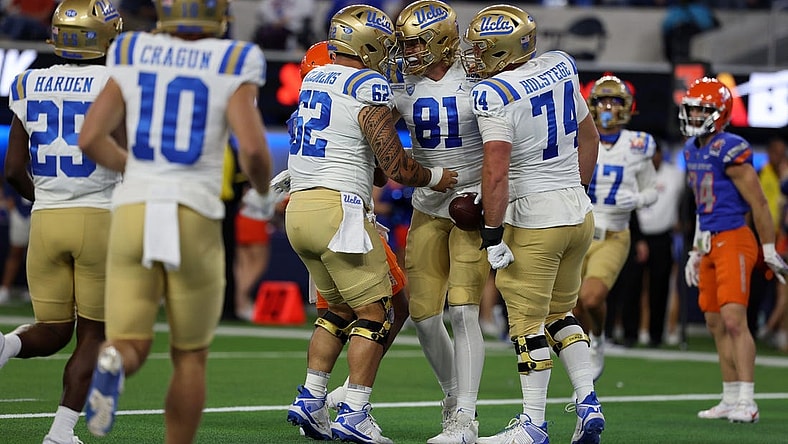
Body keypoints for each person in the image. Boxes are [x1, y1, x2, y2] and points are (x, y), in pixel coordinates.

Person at [77, 0, 275, 441]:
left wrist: (135, 169)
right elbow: (256, 151)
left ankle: (114, 360)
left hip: (133, 209)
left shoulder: (131, 49)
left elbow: (91, 137)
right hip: (194, 212)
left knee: (129, 342)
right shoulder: (234, 58)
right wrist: (261, 196)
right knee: (190, 355)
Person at [284, 4, 457, 443]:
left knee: (338, 312)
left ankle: (312, 396)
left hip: (299, 208)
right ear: (368, 43)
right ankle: (356, 409)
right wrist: (438, 176)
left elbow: (367, 158)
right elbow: (395, 166)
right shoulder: (368, 83)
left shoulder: (313, 78)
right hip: (337, 210)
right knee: (377, 315)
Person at [463, 5, 603, 444]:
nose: (475, 56)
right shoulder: (560, 66)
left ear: (504, 50)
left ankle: (533, 423)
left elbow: (496, 172)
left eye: (483, 49)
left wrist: (490, 233)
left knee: (526, 324)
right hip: (577, 212)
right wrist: (572, 191)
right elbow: (590, 136)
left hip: (534, 219)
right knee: (562, 314)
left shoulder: (494, 93)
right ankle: (588, 401)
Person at [0, 2, 122, 443]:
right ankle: (61, 432)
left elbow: (13, 169)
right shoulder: (117, 82)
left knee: (51, 331)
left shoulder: (26, 81)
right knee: (95, 334)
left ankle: (6, 345)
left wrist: (50, 198)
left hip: (46, 219)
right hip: (100, 217)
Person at [392, 1, 490, 442]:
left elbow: (509, 141)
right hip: (428, 207)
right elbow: (362, 131)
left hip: (474, 206)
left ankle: (466, 419)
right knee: (424, 315)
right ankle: (453, 399)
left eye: (415, 43)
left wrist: (491, 194)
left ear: (441, 41)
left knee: (465, 310)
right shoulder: (400, 84)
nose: (408, 51)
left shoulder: (479, 78)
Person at [682, 76, 788, 424]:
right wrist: (696, 250)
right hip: (710, 240)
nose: (695, 115)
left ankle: (747, 399)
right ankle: (729, 398)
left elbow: (758, 202)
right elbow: (701, 206)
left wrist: (769, 248)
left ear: (720, 113)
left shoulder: (731, 146)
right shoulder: (692, 148)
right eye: (693, 108)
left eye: (702, 109)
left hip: (734, 238)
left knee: (734, 320)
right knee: (714, 322)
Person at [573, 75, 658, 379]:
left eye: (615, 101)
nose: (608, 107)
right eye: (602, 101)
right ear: (591, 106)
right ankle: (582, 358)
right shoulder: (576, 137)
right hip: (578, 230)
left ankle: (597, 339)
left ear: (627, 107)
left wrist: (635, 198)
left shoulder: (639, 145)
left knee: (592, 297)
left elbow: (652, 191)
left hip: (613, 234)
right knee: (572, 307)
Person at [634, 143, 686, 347]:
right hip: (638, 234)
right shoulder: (636, 172)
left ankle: (657, 333)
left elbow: (690, 195)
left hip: (663, 236)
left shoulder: (675, 175)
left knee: (661, 287)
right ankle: (634, 330)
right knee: (634, 286)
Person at [0, 186, 32, 303]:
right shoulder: (19, 167)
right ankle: (5, 289)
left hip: (41, 211)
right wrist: (10, 203)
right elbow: (10, 178)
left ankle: (33, 290)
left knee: (38, 256)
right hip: (20, 211)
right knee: (15, 253)